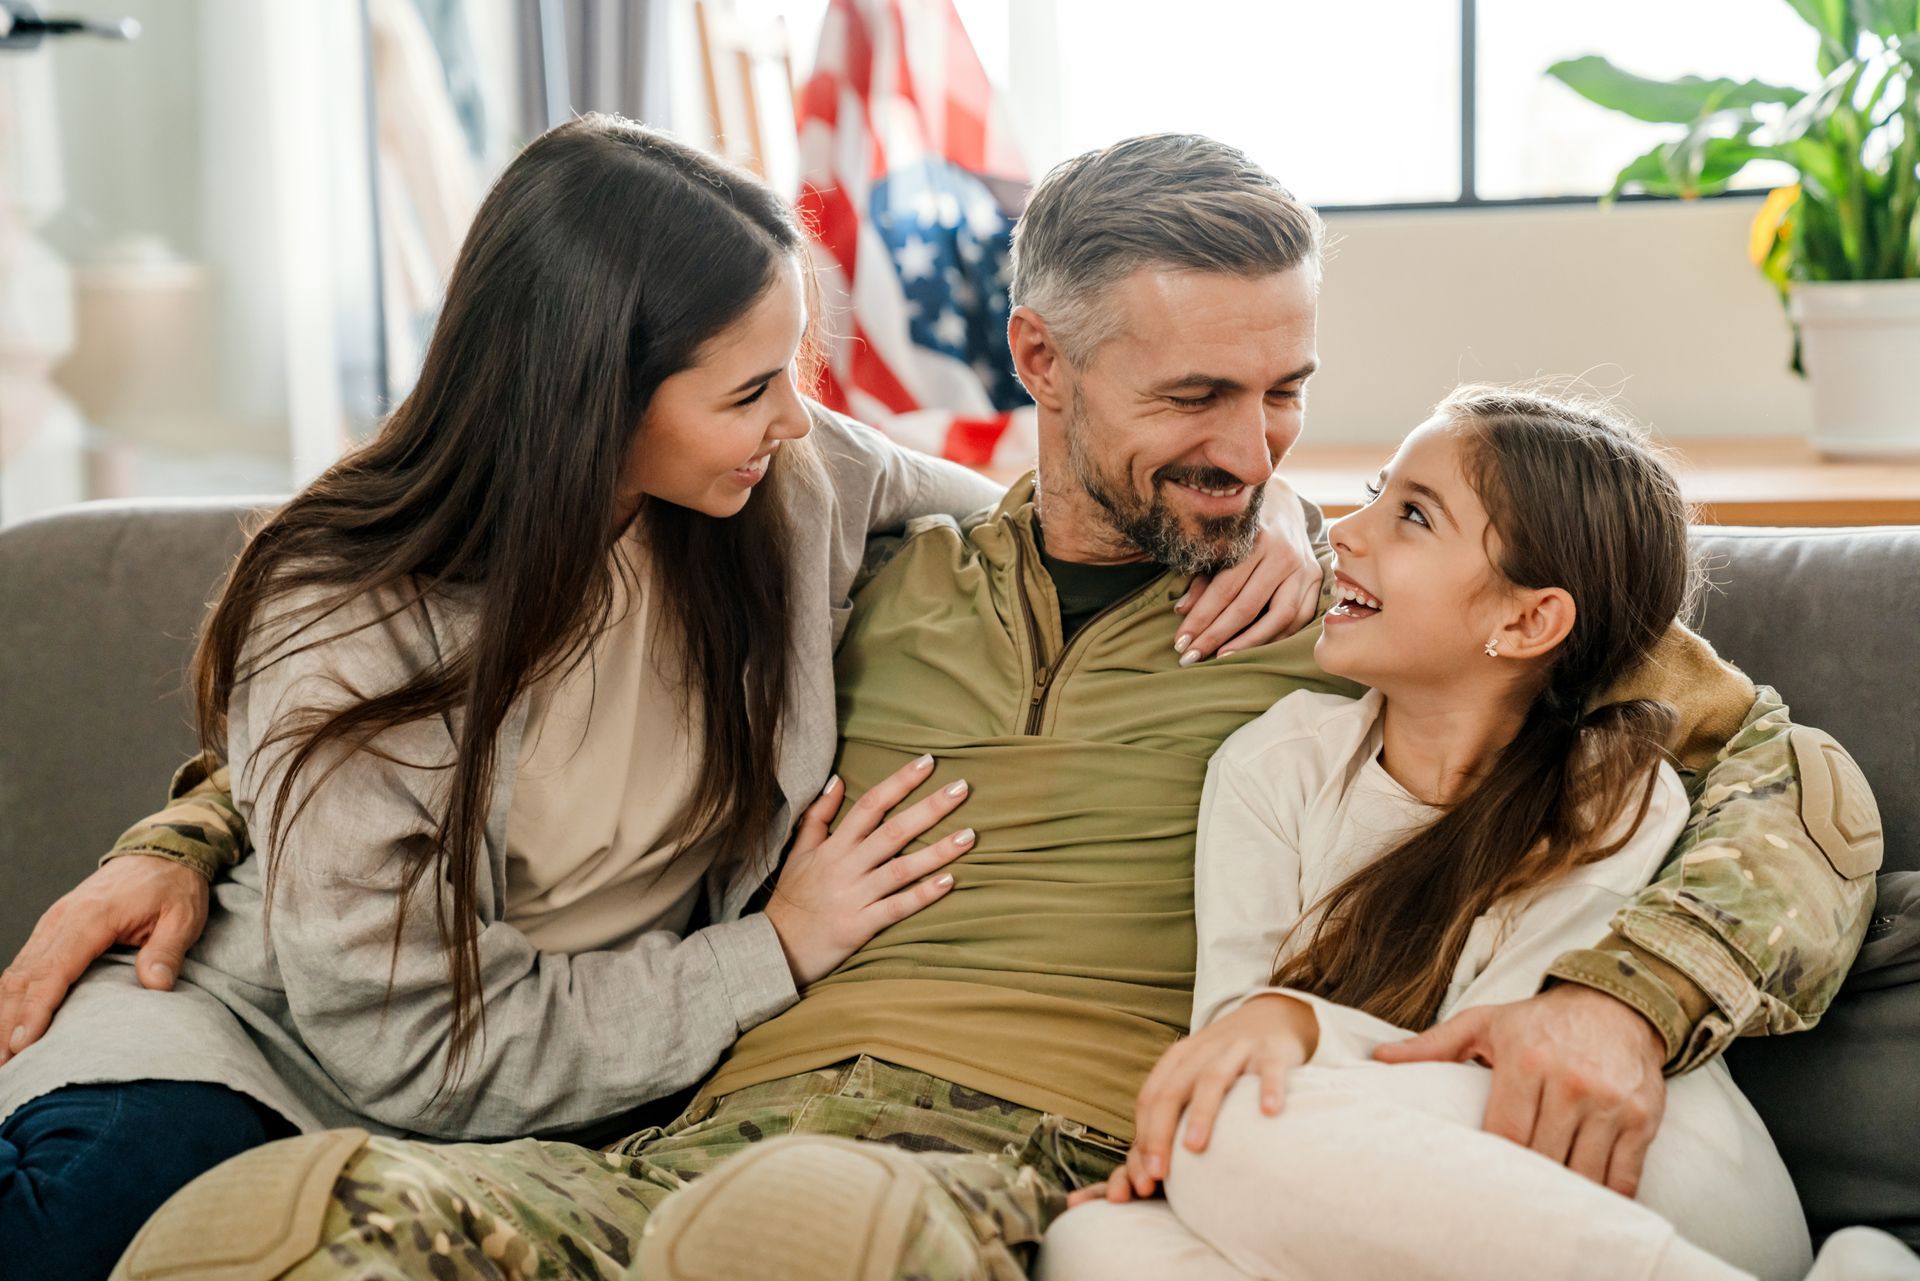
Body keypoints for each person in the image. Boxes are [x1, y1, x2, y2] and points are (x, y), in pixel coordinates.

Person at [23, 134, 1880, 1281]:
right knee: (286, 1232)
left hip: (1023, 1160)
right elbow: (419, 648)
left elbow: (1790, 777)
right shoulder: (831, 550)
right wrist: (202, 819)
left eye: (1288, 391)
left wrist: (1624, 1001)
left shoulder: (1368, 615)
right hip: (691, 1133)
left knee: (839, 1234)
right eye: (1195, 401)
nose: (1251, 455)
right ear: (1040, 363)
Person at [0, 117, 1316, 1281]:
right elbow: (409, 1027)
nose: (798, 421)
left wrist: (1288, 521)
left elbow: (1042, 516)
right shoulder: (361, 617)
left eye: (792, 372)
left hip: (656, 1083)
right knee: (99, 1220)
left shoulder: (785, 492)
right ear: (592, 397)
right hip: (300, 1028)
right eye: (752, 389)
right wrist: (777, 948)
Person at [1042, 387, 1914, 1281]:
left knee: (1226, 1134)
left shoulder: (1612, 788)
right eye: (1377, 491)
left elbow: (1506, 1057)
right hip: (1402, 1176)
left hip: (1638, 1169)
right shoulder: (1271, 764)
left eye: (1413, 515)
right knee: (1094, 1243)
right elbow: (1232, 1039)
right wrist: (1244, 1071)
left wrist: (1290, 1030)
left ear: (1528, 619)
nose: (1346, 530)